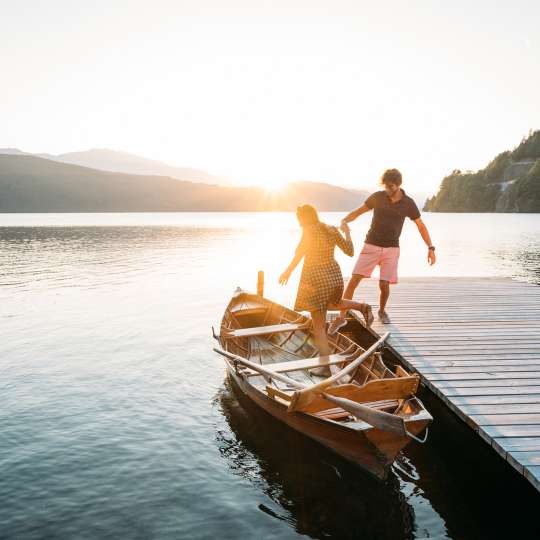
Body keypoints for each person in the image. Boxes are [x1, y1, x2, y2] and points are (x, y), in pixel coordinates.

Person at [328, 168, 436, 334]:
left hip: (392, 249)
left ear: (399, 185)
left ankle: (382, 311)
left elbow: (421, 226)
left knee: (384, 284)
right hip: (371, 245)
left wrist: (430, 247)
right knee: (354, 280)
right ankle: (341, 318)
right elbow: (358, 212)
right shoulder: (378, 197)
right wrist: (344, 220)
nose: (388, 190)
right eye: (386, 186)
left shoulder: (408, 203)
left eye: (391, 187)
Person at [279, 204, 373, 376]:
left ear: (303, 218)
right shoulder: (331, 229)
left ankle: (325, 367)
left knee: (319, 326)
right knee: (332, 304)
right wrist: (347, 232)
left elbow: (299, 255)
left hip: (316, 281)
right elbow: (350, 251)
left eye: (299, 218)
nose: (299, 221)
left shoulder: (308, 231)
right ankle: (362, 307)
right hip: (334, 277)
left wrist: (287, 271)